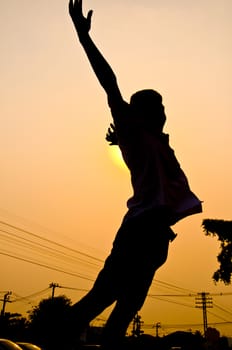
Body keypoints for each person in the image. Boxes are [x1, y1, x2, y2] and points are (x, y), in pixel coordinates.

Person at [68, 1, 202, 349]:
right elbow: (109, 83)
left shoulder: (157, 142)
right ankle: (58, 336)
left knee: (126, 312)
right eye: (155, 106)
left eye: (163, 105)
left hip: (157, 236)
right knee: (101, 298)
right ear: (140, 113)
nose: (162, 110)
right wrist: (84, 39)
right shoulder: (137, 132)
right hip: (140, 230)